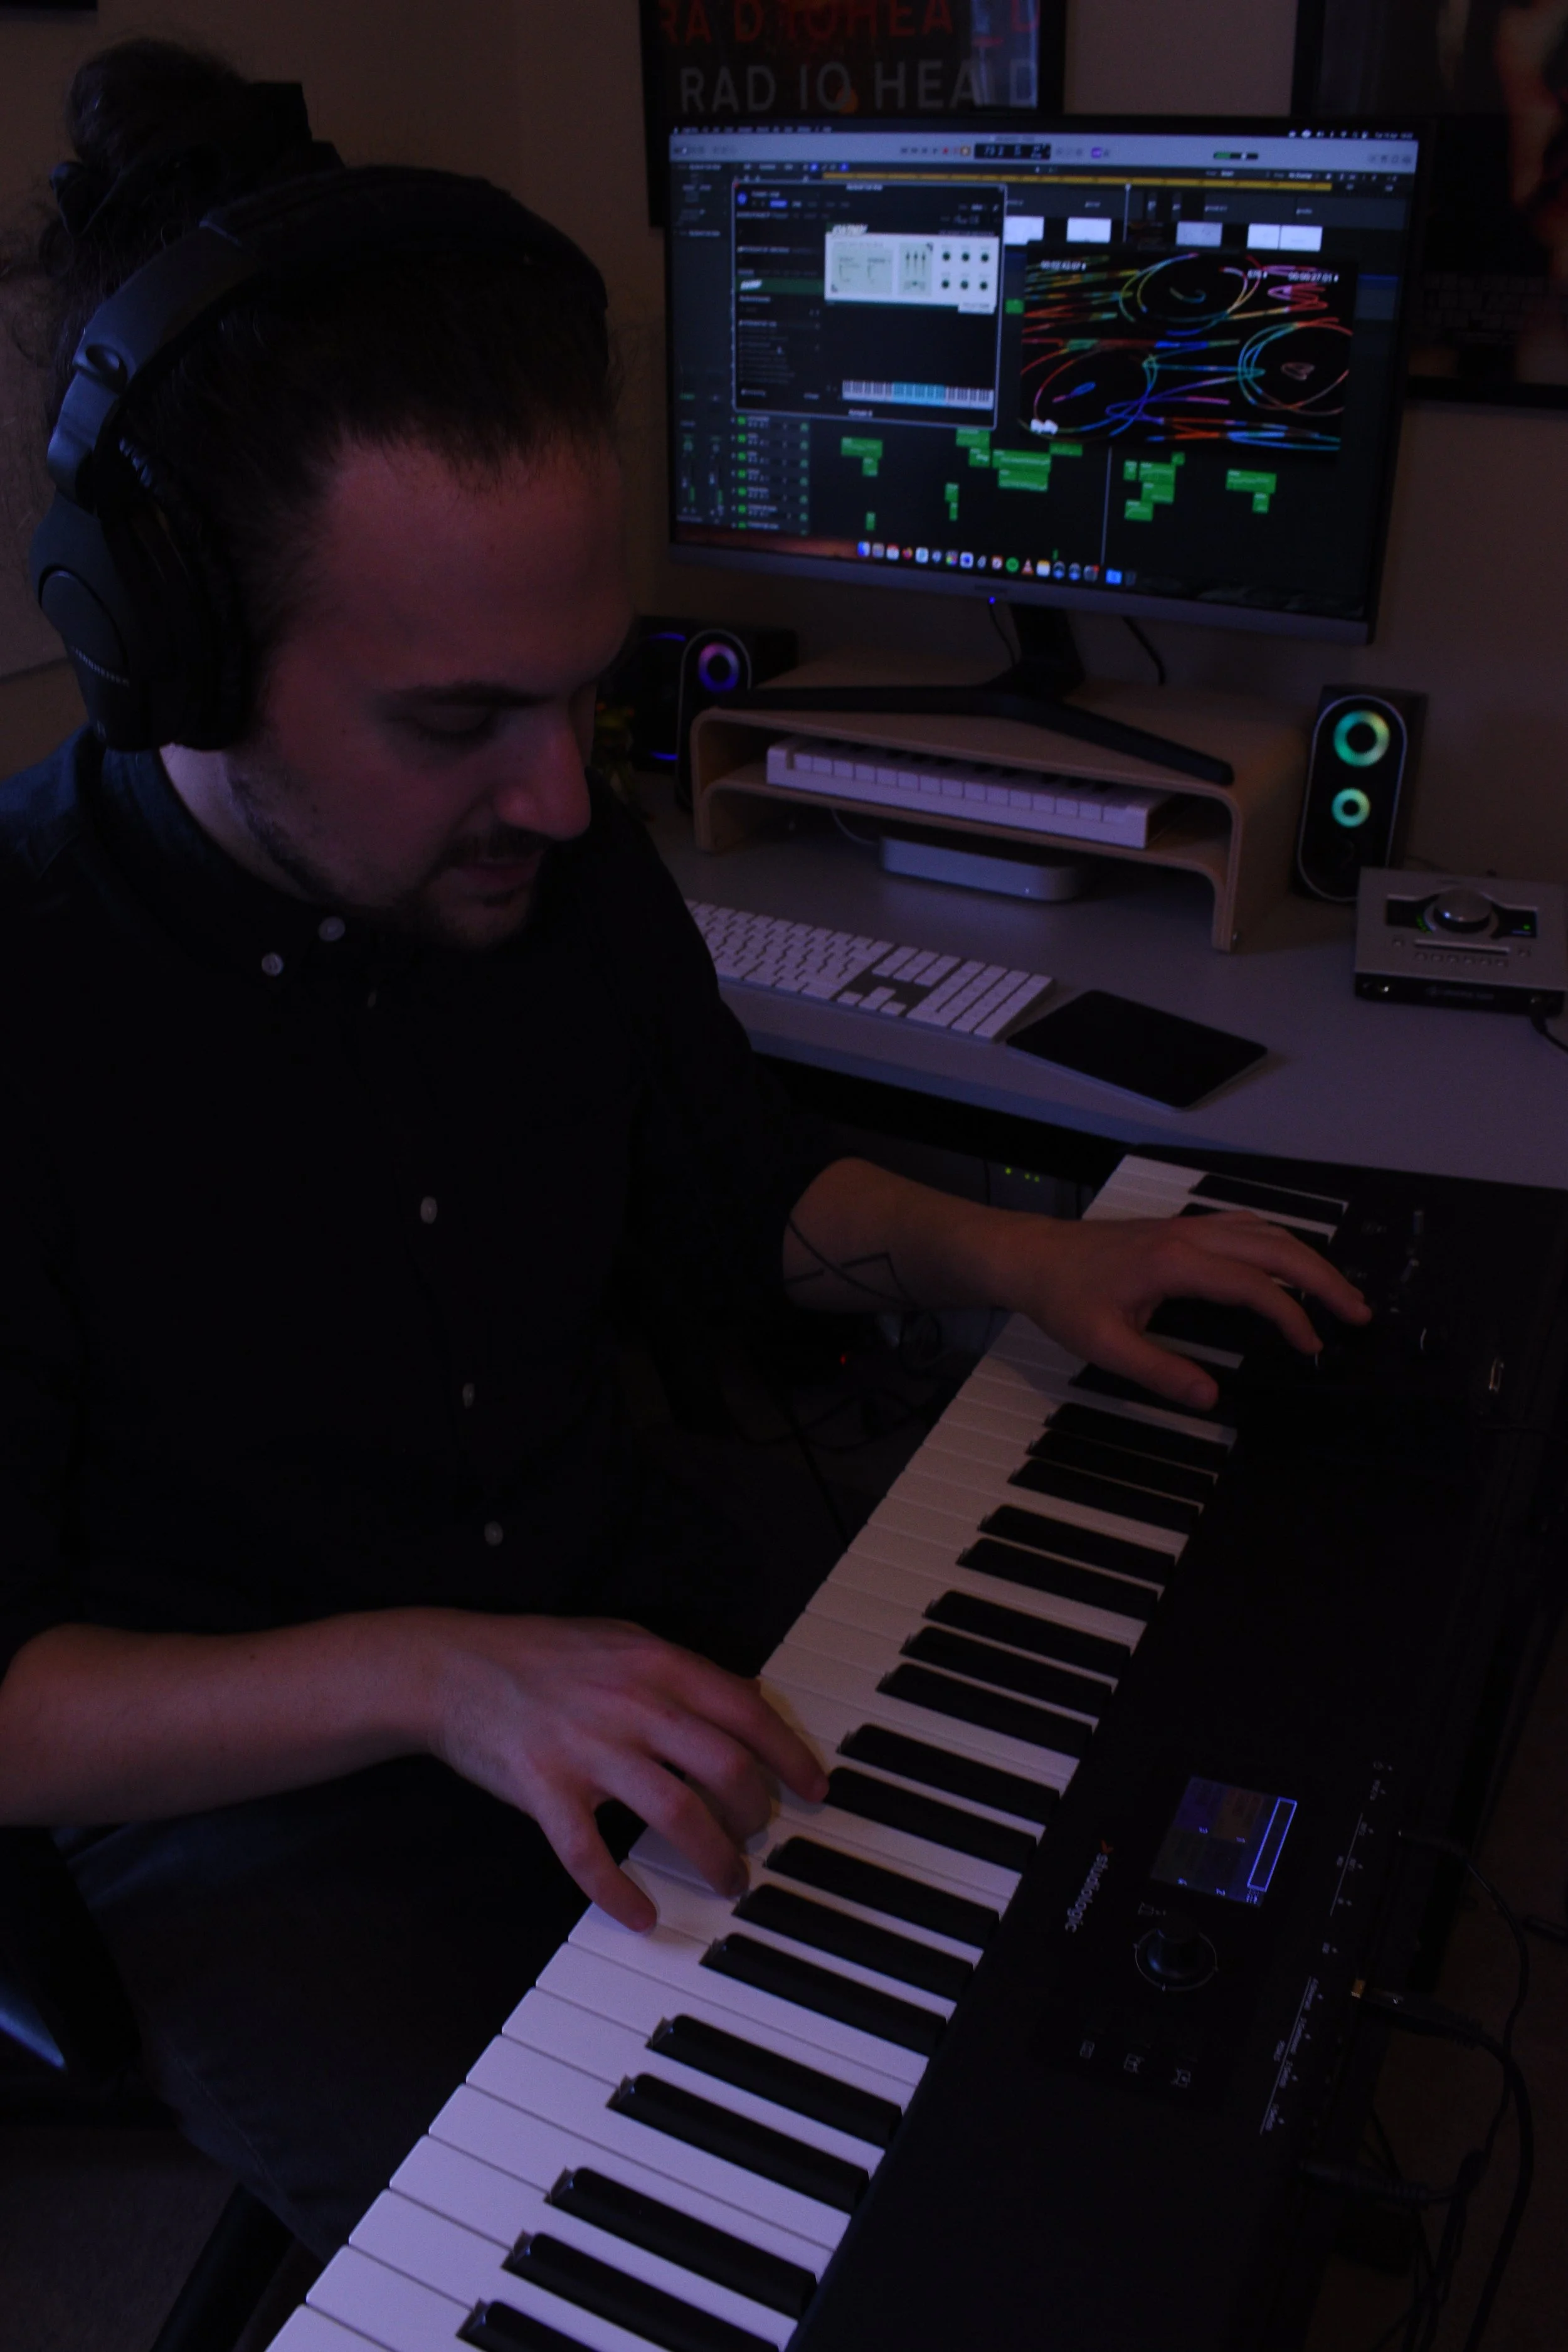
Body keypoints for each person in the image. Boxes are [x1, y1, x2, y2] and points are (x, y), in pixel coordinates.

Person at [0, 40, 1367, 2257]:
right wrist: (443, 1668)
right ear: (166, 659)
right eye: (459, 720)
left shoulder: (543, 847)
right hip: (264, 1808)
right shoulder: (30, 996)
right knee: (640, 2265)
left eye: (582, 692)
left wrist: (1011, 1259)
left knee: (1056, 1963)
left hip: (614, 1604)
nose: (560, 794)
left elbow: (733, 1199)